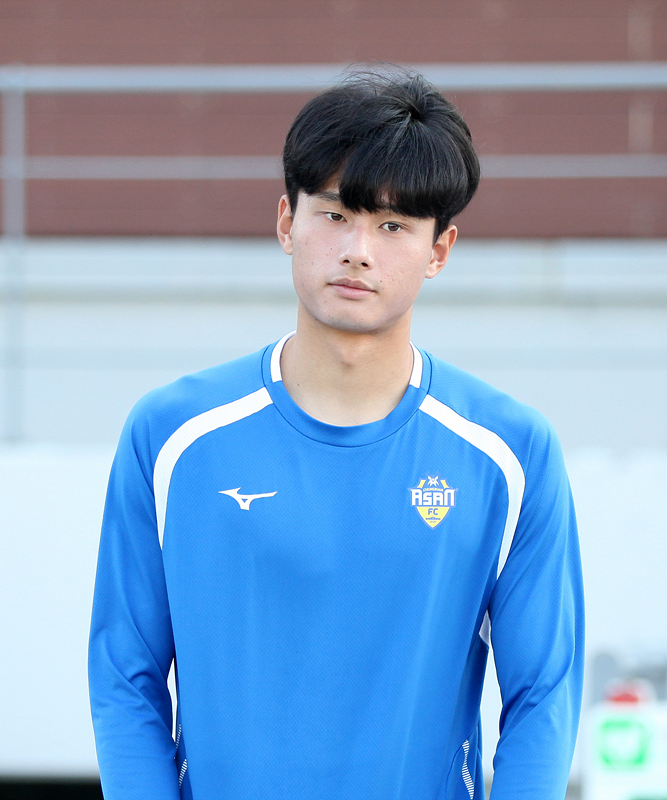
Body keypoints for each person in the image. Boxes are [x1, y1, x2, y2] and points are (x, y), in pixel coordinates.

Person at [89, 68, 584, 800]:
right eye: (335, 214)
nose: (358, 250)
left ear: (440, 250)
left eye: (394, 226)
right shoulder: (172, 435)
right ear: (286, 223)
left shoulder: (510, 453)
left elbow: (544, 694)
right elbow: (124, 676)